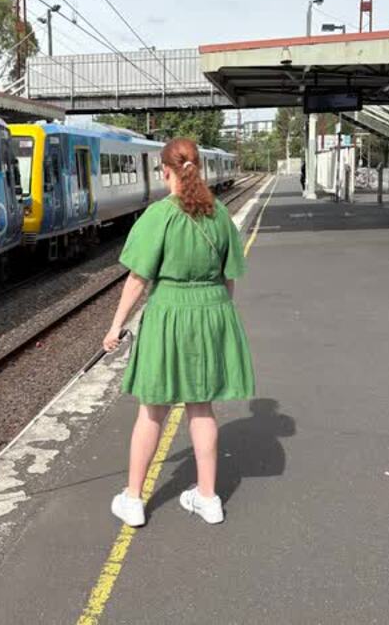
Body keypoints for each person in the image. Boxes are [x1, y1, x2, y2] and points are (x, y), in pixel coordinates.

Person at [102, 137, 256, 527]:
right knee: (201, 407)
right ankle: (208, 498)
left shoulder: (158, 215)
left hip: (168, 315)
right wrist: (217, 312)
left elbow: (138, 280)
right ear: (198, 168)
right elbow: (229, 279)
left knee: (152, 410)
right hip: (211, 312)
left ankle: (134, 500)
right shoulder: (218, 214)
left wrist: (116, 326)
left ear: (164, 170)